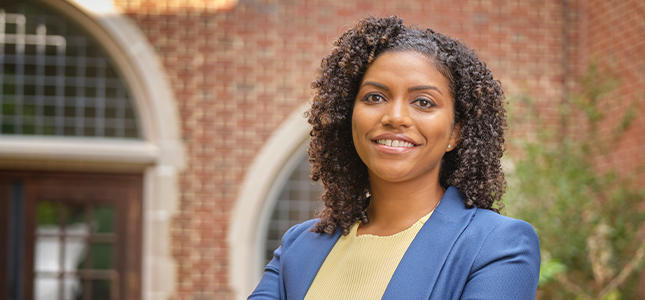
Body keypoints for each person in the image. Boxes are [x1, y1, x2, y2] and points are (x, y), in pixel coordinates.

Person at [249, 16, 540, 300]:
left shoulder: (497, 246)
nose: (395, 117)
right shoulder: (298, 248)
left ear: (456, 133)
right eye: (375, 97)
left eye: (423, 102)